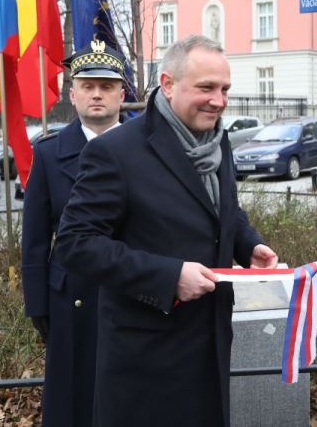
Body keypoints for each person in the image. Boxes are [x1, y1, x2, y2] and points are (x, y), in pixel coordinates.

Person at [53, 34, 279, 426]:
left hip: (211, 344)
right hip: (147, 363)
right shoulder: (116, 151)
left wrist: (249, 245)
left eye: (224, 89)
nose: (219, 100)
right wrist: (168, 276)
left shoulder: (217, 141)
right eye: (206, 88)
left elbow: (223, 209)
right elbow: (75, 244)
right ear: (168, 83)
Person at [21, 40, 125, 427]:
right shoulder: (49, 154)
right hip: (70, 299)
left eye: (107, 86)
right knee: (72, 398)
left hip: (132, 290)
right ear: (73, 93)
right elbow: (33, 238)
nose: (97, 94)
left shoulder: (147, 148)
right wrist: (37, 304)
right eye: (87, 86)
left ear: (121, 92)